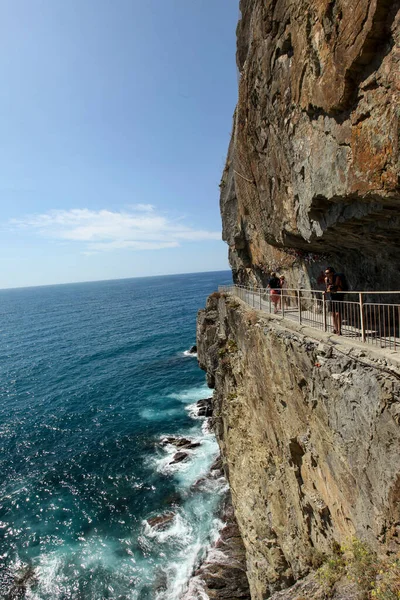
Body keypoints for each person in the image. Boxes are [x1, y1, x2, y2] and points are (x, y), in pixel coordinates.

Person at [324, 267, 346, 335]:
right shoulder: (326, 279)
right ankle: (335, 329)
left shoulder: (337, 277)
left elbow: (335, 287)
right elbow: (328, 289)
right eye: (325, 273)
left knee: (338, 314)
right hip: (332, 297)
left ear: (332, 273)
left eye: (327, 273)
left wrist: (330, 289)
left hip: (339, 296)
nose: (326, 274)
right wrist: (329, 289)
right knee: (333, 314)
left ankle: (339, 330)